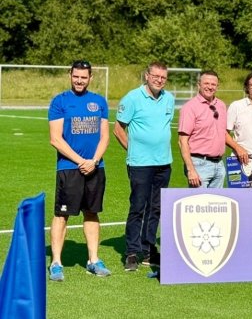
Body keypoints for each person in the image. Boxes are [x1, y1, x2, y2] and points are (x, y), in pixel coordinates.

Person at [47, 60, 111, 281]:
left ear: (91, 77)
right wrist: (80, 161)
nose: (79, 80)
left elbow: (105, 137)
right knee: (62, 214)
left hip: (95, 167)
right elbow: (55, 139)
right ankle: (56, 262)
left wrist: (93, 160)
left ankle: (93, 260)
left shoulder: (99, 102)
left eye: (84, 77)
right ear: (70, 75)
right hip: (69, 169)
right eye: (76, 76)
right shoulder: (59, 101)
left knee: (92, 212)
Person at [114, 62, 174, 271]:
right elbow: (118, 129)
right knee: (138, 207)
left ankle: (149, 251)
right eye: (156, 76)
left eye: (163, 77)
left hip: (163, 163)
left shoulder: (169, 98)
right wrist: (133, 150)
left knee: (155, 208)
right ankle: (131, 252)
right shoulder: (132, 98)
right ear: (147, 76)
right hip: (140, 164)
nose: (159, 80)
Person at [179, 71, 231, 188]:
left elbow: (223, 133)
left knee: (216, 204)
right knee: (199, 204)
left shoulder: (221, 105)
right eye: (206, 83)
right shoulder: (190, 107)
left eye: (213, 84)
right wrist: (191, 169)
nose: (210, 87)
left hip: (219, 164)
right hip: (198, 164)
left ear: (217, 86)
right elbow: (182, 141)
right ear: (199, 85)